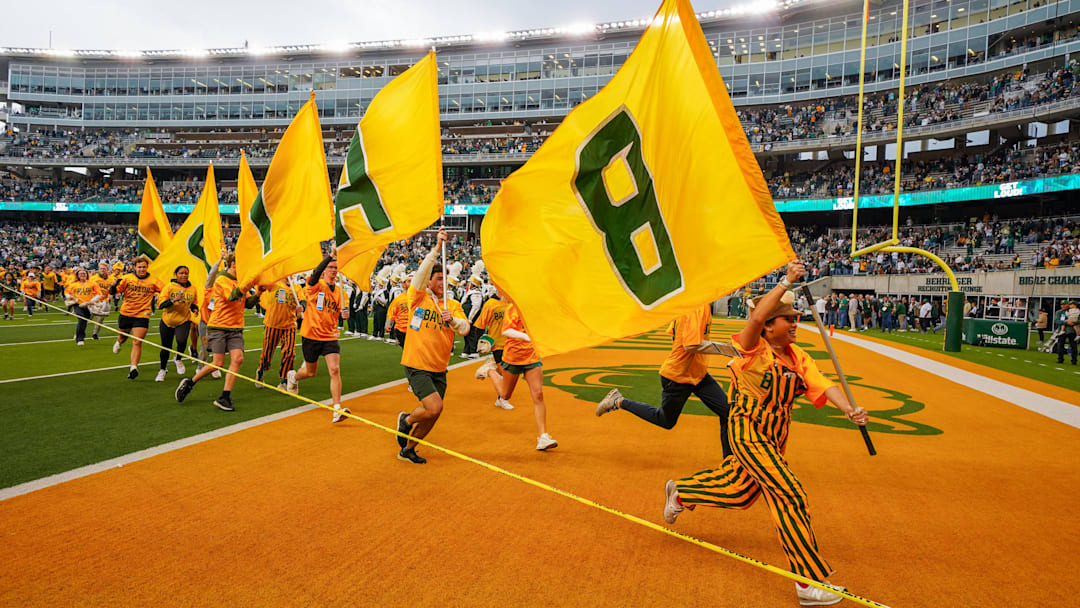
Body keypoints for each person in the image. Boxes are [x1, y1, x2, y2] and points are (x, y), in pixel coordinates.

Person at [661, 261, 869, 607]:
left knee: (740, 493)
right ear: (770, 327)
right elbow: (755, 319)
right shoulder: (752, 348)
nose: (794, 325)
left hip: (774, 439)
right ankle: (809, 582)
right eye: (788, 320)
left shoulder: (798, 356)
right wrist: (786, 282)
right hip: (747, 433)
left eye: (795, 319)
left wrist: (849, 409)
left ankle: (682, 492)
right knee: (790, 494)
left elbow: (823, 383)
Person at [594, 303, 732, 458]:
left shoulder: (693, 305)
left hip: (697, 373)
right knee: (665, 420)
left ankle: (729, 464)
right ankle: (618, 401)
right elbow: (691, 344)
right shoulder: (696, 307)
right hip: (678, 376)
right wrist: (725, 349)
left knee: (728, 412)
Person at [394, 229, 470, 464]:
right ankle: (405, 421)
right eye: (438, 278)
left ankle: (407, 449)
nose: (442, 283)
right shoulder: (418, 298)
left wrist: (454, 320)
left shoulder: (453, 304)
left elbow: (465, 328)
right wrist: (437, 249)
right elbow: (419, 276)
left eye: (445, 279)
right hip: (417, 363)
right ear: (430, 281)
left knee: (433, 415)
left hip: (439, 367)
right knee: (434, 407)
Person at [475, 292, 558, 451]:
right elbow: (507, 330)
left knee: (538, 393)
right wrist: (528, 337)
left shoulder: (534, 309)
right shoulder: (513, 308)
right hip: (513, 357)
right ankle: (490, 370)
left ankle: (543, 437)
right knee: (505, 395)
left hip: (531, 356)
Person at [175, 252, 257, 411]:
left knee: (238, 359)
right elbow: (232, 296)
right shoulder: (221, 280)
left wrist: (259, 293)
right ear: (234, 264)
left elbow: (247, 303)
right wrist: (249, 282)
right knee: (217, 363)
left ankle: (225, 397)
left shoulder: (238, 281)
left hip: (235, 327)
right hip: (219, 326)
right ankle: (190, 383)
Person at [286, 250, 351, 423]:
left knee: (335, 370)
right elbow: (314, 275)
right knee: (309, 372)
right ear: (324, 270)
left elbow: (340, 312)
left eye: (336, 267)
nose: (333, 270)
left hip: (330, 336)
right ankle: (293, 376)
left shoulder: (341, 293)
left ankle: (336, 408)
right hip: (311, 334)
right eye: (330, 267)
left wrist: (345, 314)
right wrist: (329, 256)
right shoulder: (316, 286)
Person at [111, 256, 162, 380]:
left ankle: (133, 367)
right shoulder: (126, 278)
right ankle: (119, 341)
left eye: (144, 267)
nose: (142, 269)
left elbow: (165, 290)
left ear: (147, 267)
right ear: (134, 267)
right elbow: (114, 292)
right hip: (126, 312)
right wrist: (113, 286)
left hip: (142, 314)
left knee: (137, 341)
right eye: (139, 267)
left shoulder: (154, 280)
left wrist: (162, 297)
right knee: (123, 337)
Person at [472, 286, 513, 410]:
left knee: (507, 372)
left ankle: (491, 370)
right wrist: (480, 342)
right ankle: (502, 398)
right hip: (497, 344)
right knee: (505, 373)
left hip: (511, 343)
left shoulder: (512, 303)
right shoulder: (490, 304)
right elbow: (479, 324)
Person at [154, 266, 198, 382]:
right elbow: (160, 305)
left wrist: (195, 309)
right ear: (176, 275)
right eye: (181, 273)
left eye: (186, 273)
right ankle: (162, 370)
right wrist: (174, 300)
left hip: (183, 320)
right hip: (167, 320)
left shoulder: (192, 288)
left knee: (182, 340)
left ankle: (178, 358)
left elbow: (193, 303)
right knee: (166, 347)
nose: (184, 275)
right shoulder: (169, 287)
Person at [255, 279, 301, 390]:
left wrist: (301, 307)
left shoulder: (296, 288)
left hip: (289, 325)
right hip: (272, 324)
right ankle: (260, 371)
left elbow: (302, 299)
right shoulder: (274, 283)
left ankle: (284, 381)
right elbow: (262, 284)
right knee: (267, 352)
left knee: (289, 353)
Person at [64, 268, 104, 345]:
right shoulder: (73, 284)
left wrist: (91, 301)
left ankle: (79, 335)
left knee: (84, 321)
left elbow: (99, 294)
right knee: (81, 319)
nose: (82, 275)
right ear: (78, 275)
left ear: (87, 275)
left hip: (88, 306)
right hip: (78, 305)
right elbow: (66, 292)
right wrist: (69, 296)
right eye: (81, 274)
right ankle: (80, 339)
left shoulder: (92, 283)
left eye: (84, 273)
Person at [88, 262, 115, 340]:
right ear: (98, 269)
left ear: (107, 270)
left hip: (104, 301)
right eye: (101, 268)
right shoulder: (93, 278)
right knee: (87, 318)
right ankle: (79, 333)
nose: (103, 270)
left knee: (100, 320)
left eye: (104, 268)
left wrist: (111, 294)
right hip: (94, 301)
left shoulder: (111, 279)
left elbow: (112, 290)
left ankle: (95, 334)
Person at [1056, 301, 1078, 365]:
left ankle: (1074, 360)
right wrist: (1066, 322)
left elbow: (1078, 319)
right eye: (1062, 304)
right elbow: (1057, 320)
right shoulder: (1059, 312)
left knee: (1073, 346)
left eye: (1064, 304)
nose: (1063, 306)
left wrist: (1073, 323)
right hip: (1062, 331)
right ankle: (1060, 359)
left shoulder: (1074, 311)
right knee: (1060, 345)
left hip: (1071, 330)